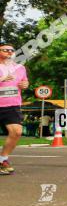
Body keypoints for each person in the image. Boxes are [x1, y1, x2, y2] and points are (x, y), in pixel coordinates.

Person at [0, 43, 29, 175]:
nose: (9, 52)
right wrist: (2, 78)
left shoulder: (20, 68)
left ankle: (2, 160)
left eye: (12, 50)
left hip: (12, 105)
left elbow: (25, 82)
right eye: (5, 50)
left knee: (16, 132)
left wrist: (25, 84)